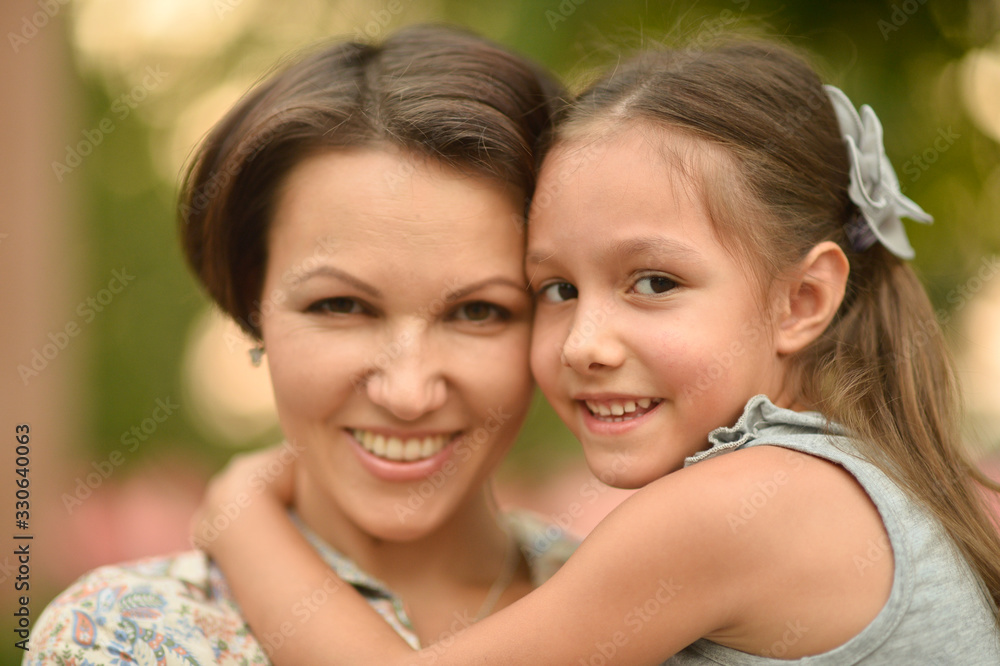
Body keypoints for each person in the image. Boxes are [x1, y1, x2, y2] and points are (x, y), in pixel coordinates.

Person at [195, 37, 1000, 664]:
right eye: (555, 290)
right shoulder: (842, 479)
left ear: (802, 300)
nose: (584, 343)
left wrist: (239, 513)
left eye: (653, 283)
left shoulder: (748, 506)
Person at [25, 24, 578, 665]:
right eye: (341, 306)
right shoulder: (127, 636)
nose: (407, 392)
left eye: (480, 311)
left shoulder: (664, 619)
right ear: (253, 308)